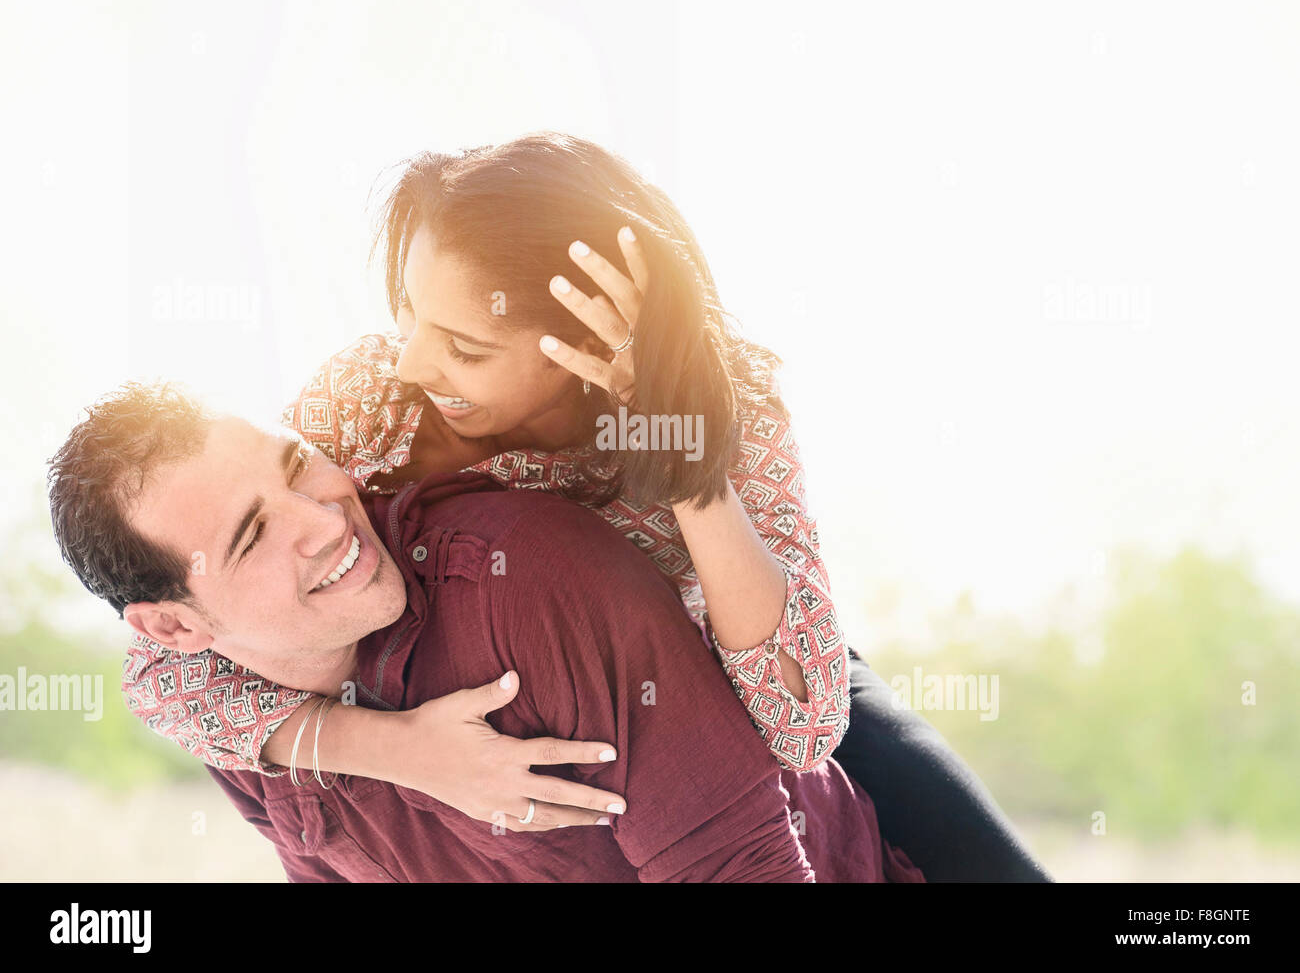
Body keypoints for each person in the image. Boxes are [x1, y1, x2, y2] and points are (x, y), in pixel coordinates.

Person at [117, 132, 1049, 879]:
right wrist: (401, 750)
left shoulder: (735, 408)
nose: (411, 362)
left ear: (582, 343)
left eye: (465, 347)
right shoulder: (371, 394)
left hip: (759, 664)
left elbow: (795, 723)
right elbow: (166, 668)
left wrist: (684, 461)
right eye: (407, 316)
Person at [48, 383, 926, 882]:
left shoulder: (525, 583)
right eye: (251, 535)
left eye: (293, 466)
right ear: (174, 624)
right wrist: (389, 748)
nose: (322, 517)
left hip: (810, 705)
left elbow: (744, 872)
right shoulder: (232, 722)